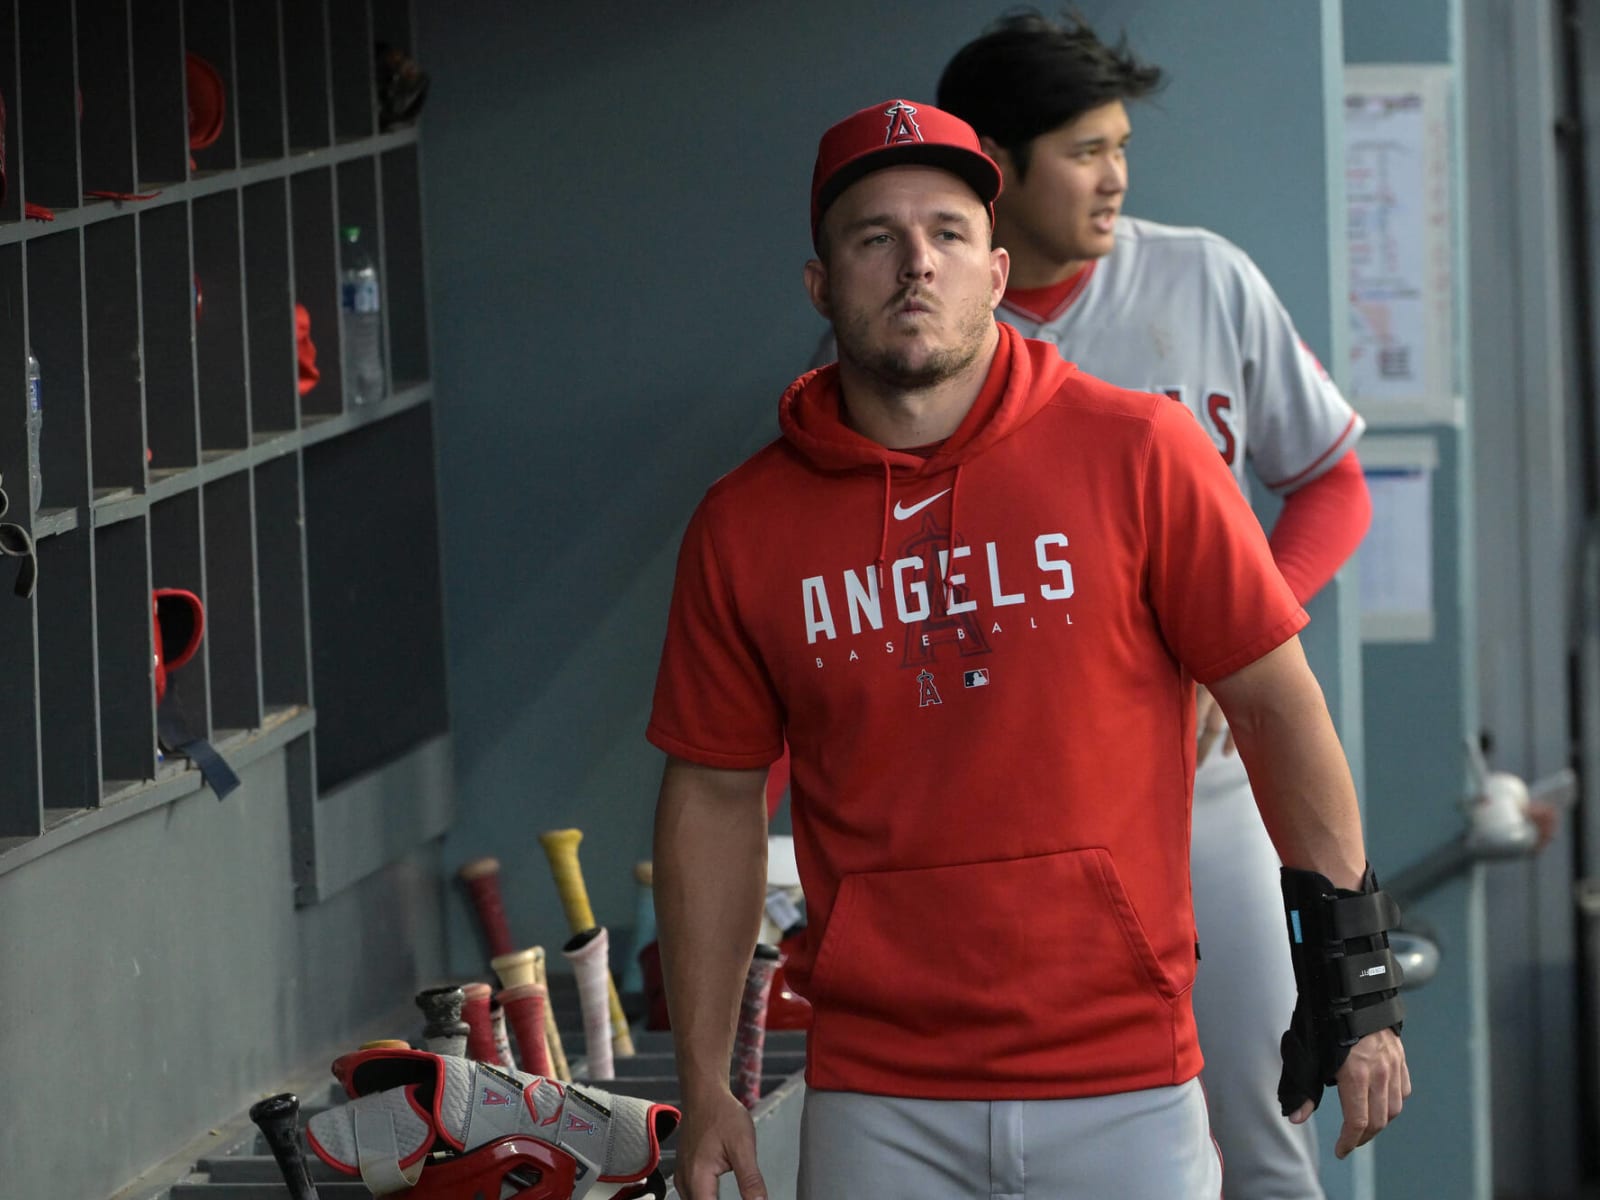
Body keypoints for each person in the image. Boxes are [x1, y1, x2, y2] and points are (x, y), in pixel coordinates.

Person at [648, 98, 1407, 1200]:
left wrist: (1357, 989)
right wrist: (707, 1082)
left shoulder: (1140, 453)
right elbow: (714, 800)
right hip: (879, 1095)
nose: (916, 263)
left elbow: (1278, 707)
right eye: (875, 237)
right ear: (821, 287)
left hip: (1124, 1082)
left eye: (948, 234)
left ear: (997, 273)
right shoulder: (741, 526)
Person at [933, 14, 1375, 1198]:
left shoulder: (1200, 274)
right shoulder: (928, 330)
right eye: (1083, 149)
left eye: (1120, 144)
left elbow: (1330, 482)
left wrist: (1246, 632)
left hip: (1206, 785)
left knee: (1262, 1120)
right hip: (1014, 808)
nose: (1116, 174)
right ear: (994, 162)